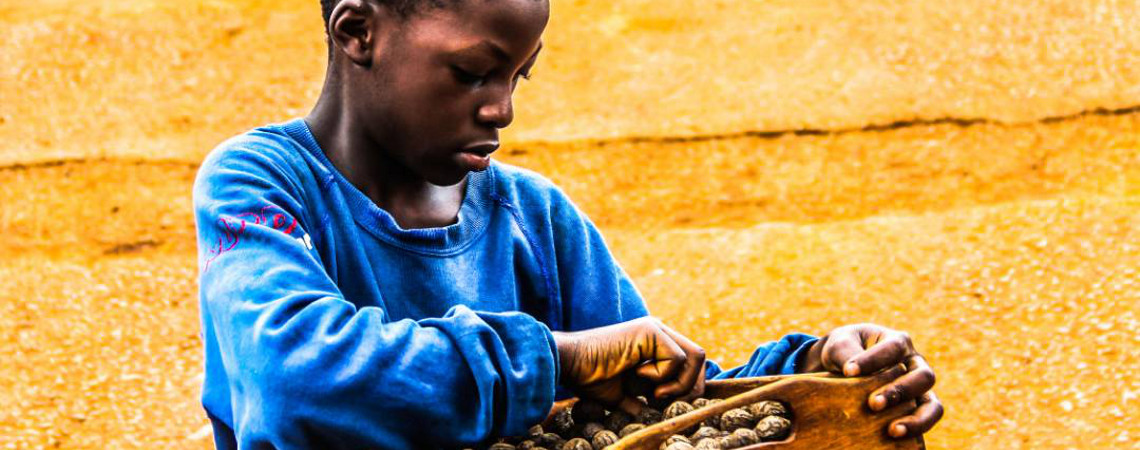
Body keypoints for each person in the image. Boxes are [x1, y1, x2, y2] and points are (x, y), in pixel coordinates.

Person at [192, 0, 944, 447]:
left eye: (519, 76)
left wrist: (817, 366)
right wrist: (561, 358)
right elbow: (300, 380)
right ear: (358, 31)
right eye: (472, 73)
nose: (502, 110)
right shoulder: (260, 186)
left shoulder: (535, 218)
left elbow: (660, 400)